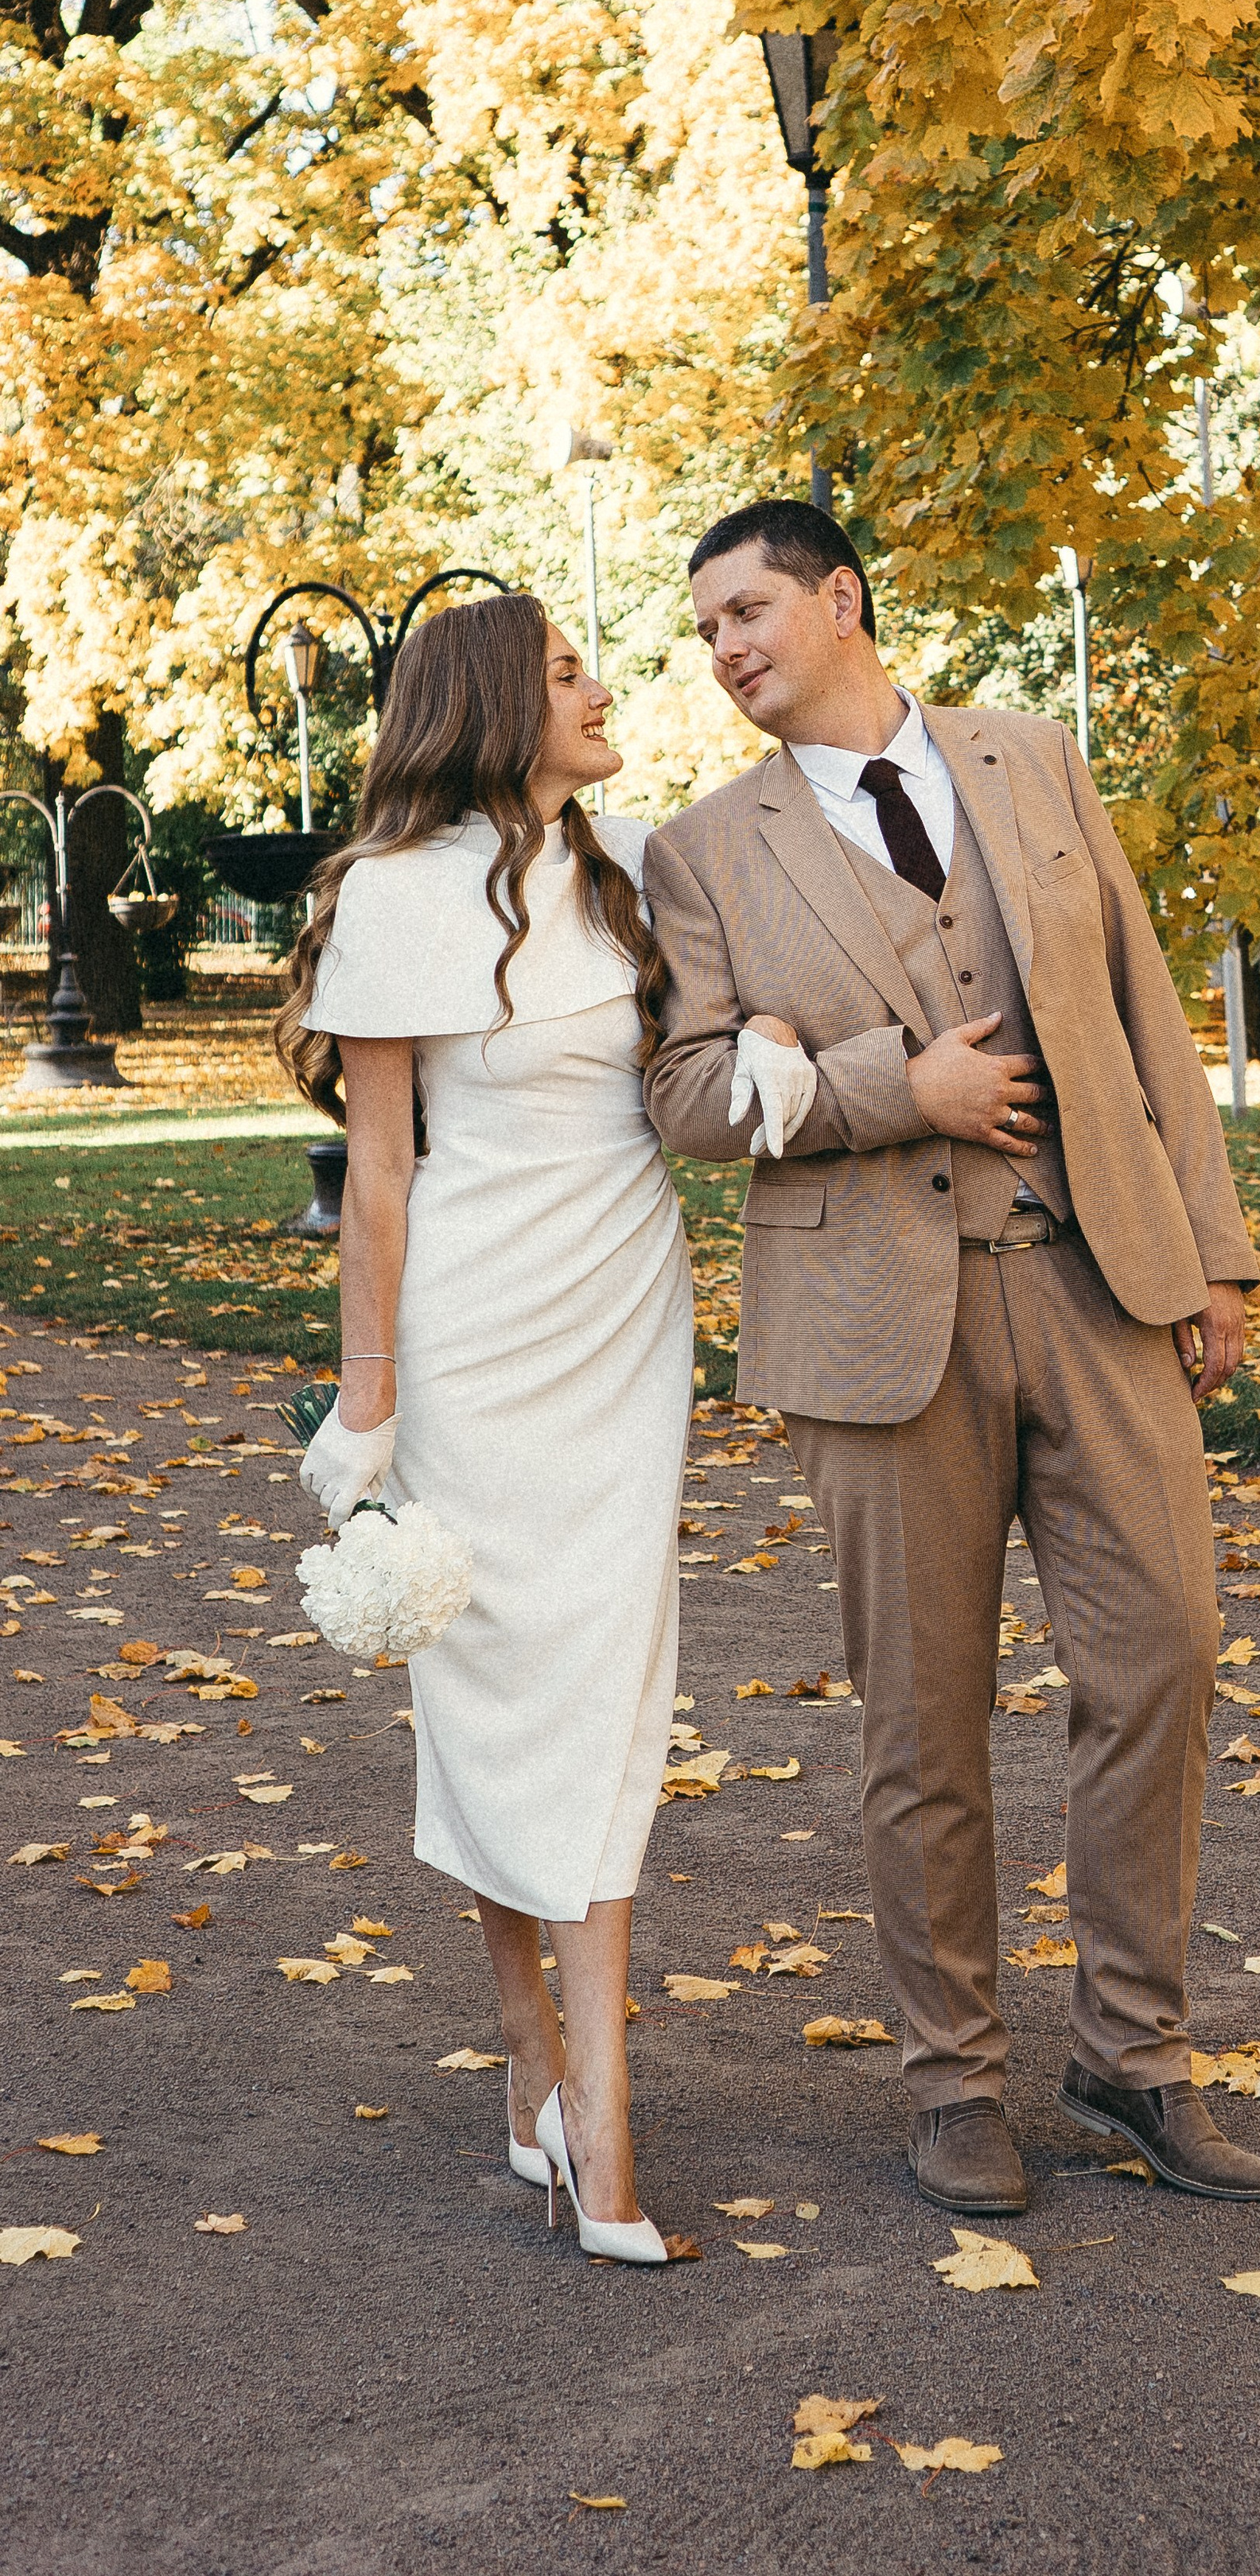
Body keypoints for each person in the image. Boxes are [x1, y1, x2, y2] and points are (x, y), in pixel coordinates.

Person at [644, 498, 1260, 2214]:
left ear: (842, 599)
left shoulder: (1031, 759)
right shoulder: (702, 853)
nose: (724, 651)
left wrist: (1212, 1250)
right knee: (923, 1724)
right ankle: (953, 2084)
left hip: (1096, 1280)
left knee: (1164, 1656)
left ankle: (1133, 2058)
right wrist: (888, 1088)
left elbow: (1145, 1009)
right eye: (705, 632)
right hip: (874, 1332)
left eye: (747, 612)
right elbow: (686, 1095)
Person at [274, 593, 814, 2265]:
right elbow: (379, 1172)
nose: (599, 689)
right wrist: (366, 1404)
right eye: (567, 672)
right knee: (494, 1690)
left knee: (605, 1686)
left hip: (620, 1318)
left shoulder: (640, 863)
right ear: (497, 708)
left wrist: (770, 1048)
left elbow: (712, 1051)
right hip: (472, 1334)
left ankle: (587, 2097)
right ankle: (556, 2075)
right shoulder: (390, 894)